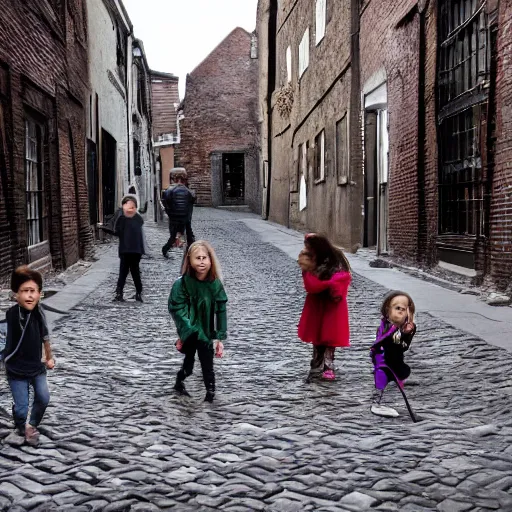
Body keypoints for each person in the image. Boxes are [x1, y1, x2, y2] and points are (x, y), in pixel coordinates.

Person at [168, 241, 228, 402]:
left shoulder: (214, 284)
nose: (201, 261)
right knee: (188, 366)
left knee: (208, 366)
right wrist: (186, 328)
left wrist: (220, 336)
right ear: (190, 260)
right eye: (198, 258)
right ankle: (179, 381)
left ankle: (210, 395)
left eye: (204, 258)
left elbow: (221, 309)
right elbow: (176, 306)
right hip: (190, 332)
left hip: (206, 333)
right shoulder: (182, 284)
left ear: (210, 260)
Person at [2, 266, 55, 446]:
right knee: (21, 408)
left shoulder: (40, 314)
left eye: (33, 291)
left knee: (43, 397)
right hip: (16, 369)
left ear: (39, 294)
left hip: (36, 368)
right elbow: (4, 337)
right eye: (24, 291)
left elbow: (45, 337)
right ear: (16, 294)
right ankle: (21, 422)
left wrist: (49, 357)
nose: (29, 296)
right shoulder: (11, 315)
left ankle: (31, 425)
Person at [297, 233, 352, 382]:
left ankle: (328, 365)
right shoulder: (308, 258)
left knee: (330, 335)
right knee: (317, 334)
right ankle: (316, 364)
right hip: (317, 303)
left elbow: (343, 278)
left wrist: (333, 287)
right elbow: (310, 285)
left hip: (332, 304)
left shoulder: (335, 259)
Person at [370, 290, 416, 418]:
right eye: (397, 308)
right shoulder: (386, 327)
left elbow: (404, 347)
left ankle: (398, 380)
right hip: (383, 360)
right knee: (382, 377)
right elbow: (380, 342)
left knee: (399, 371)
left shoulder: (403, 328)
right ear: (387, 310)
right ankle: (376, 402)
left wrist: (407, 334)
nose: (401, 311)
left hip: (396, 360)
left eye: (404, 309)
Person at [102, 194, 146, 302]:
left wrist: (104, 228)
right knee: (135, 272)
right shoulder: (139, 218)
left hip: (125, 250)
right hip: (137, 251)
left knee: (123, 272)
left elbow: (117, 232)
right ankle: (139, 293)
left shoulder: (122, 218)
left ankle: (119, 293)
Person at [162, 168, 196, 257]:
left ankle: (165, 249)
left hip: (174, 218)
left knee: (173, 236)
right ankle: (193, 250)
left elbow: (165, 201)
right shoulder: (188, 191)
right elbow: (192, 200)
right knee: (189, 235)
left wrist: (169, 212)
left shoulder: (170, 190)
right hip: (185, 218)